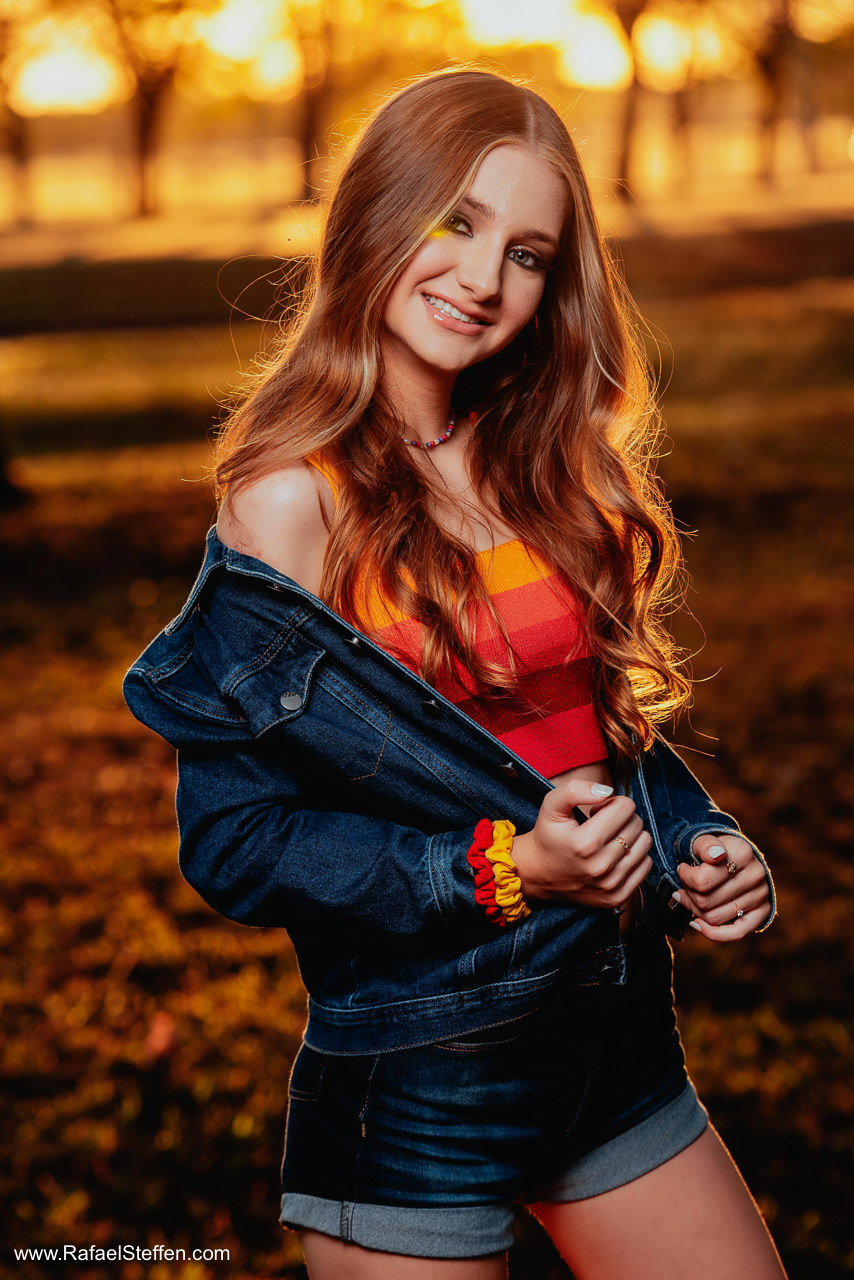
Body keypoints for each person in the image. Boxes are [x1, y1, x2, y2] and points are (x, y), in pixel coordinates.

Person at [124, 69, 787, 1280]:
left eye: (527, 252)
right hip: (420, 1083)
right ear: (375, 212)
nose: (484, 280)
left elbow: (587, 740)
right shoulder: (289, 500)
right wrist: (500, 866)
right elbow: (236, 838)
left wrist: (696, 840)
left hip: (615, 1043)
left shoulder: (548, 467)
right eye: (454, 221)